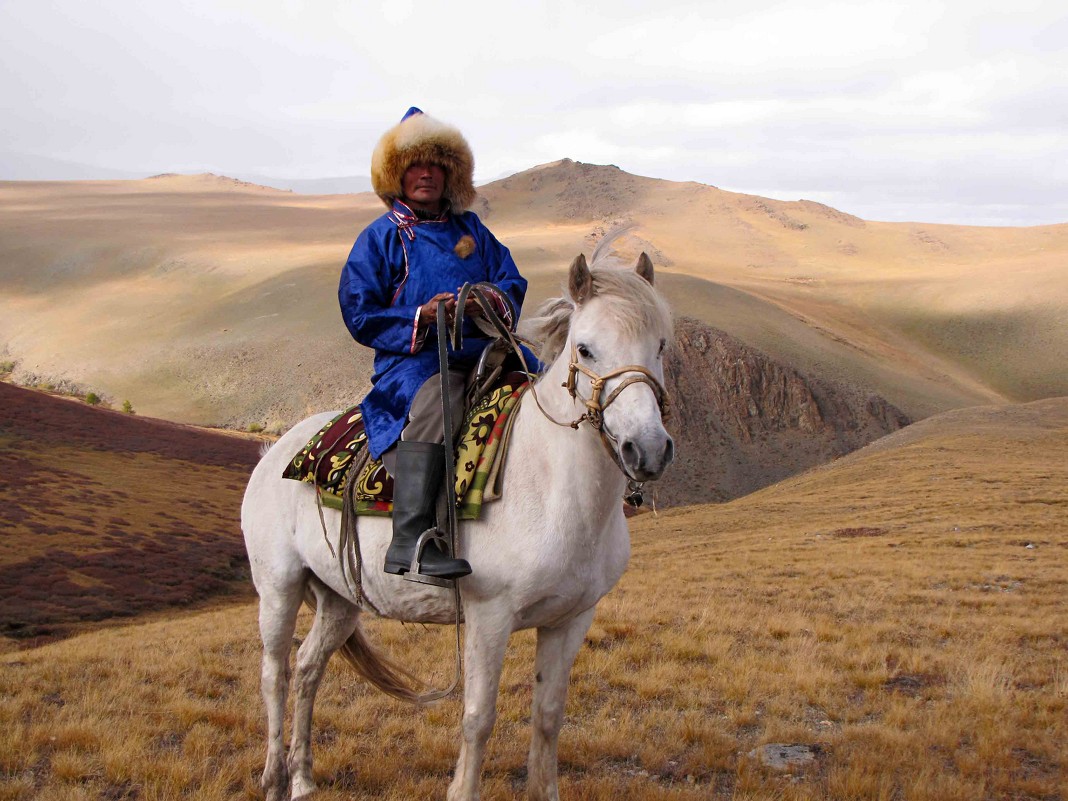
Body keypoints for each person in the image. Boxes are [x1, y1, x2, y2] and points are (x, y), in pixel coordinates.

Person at [338, 107, 532, 581]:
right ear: (397, 175)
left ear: (451, 174)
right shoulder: (380, 238)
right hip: (415, 362)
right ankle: (413, 541)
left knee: (541, 383)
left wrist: (486, 298)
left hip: (483, 351)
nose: (425, 174)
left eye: (435, 165)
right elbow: (359, 311)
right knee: (440, 403)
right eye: (414, 165)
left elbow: (511, 280)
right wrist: (420, 316)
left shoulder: (473, 232)